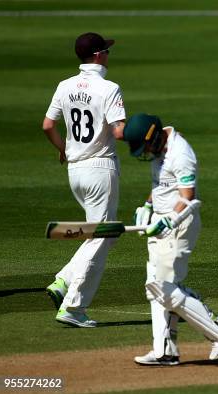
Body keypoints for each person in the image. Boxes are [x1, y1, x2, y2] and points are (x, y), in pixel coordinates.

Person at [122, 113, 218, 366]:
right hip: (159, 222)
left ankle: (217, 332)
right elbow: (161, 184)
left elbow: (187, 197)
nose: (145, 153)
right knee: (156, 287)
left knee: (162, 287)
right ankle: (165, 350)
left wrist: (168, 220)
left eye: (145, 146)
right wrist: (147, 207)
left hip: (179, 225)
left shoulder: (181, 154)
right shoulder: (158, 148)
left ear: (154, 137)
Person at [43, 32, 126, 327]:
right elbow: (118, 131)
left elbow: (48, 125)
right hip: (100, 168)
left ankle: (64, 281)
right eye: (107, 51)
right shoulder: (109, 88)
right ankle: (72, 304)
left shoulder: (64, 86)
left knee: (105, 234)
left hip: (75, 170)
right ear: (99, 55)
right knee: (102, 235)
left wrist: (63, 149)